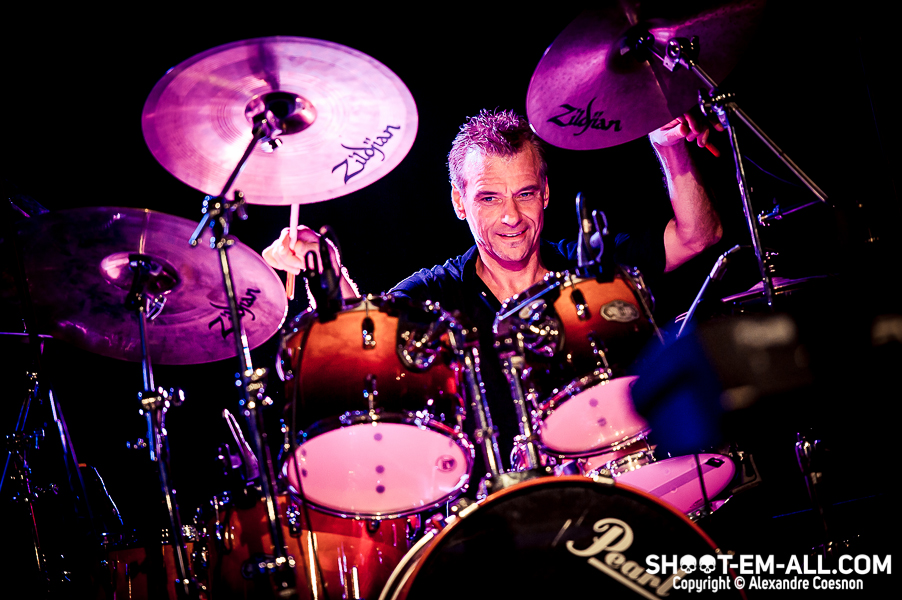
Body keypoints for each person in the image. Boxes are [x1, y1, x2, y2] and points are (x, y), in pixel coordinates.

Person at [263, 108, 722, 490]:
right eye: (488, 198)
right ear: (459, 203)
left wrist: (669, 145)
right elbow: (369, 347)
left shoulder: (590, 270)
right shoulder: (437, 293)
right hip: (512, 522)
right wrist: (326, 269)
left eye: (525, 194)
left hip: (633, 488)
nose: (511, 216)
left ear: (545, 193)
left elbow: (699, 235)